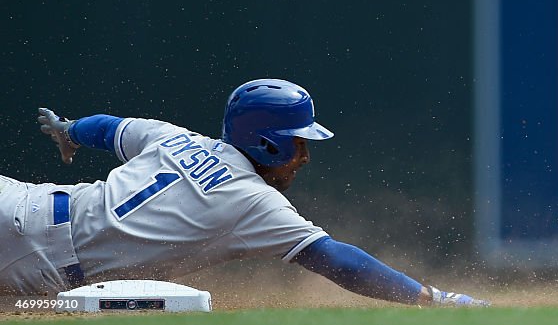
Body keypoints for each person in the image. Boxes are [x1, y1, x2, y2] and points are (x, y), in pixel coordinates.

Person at [0, 79, 488, 307]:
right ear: (269, 143)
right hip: (35, 256)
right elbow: (340, 261)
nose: (305, 156)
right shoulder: (253, 202)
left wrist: (70, 130)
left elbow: (110, 129)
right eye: (299, 142)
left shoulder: (180, 139)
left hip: (23, 201)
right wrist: (435, 299)